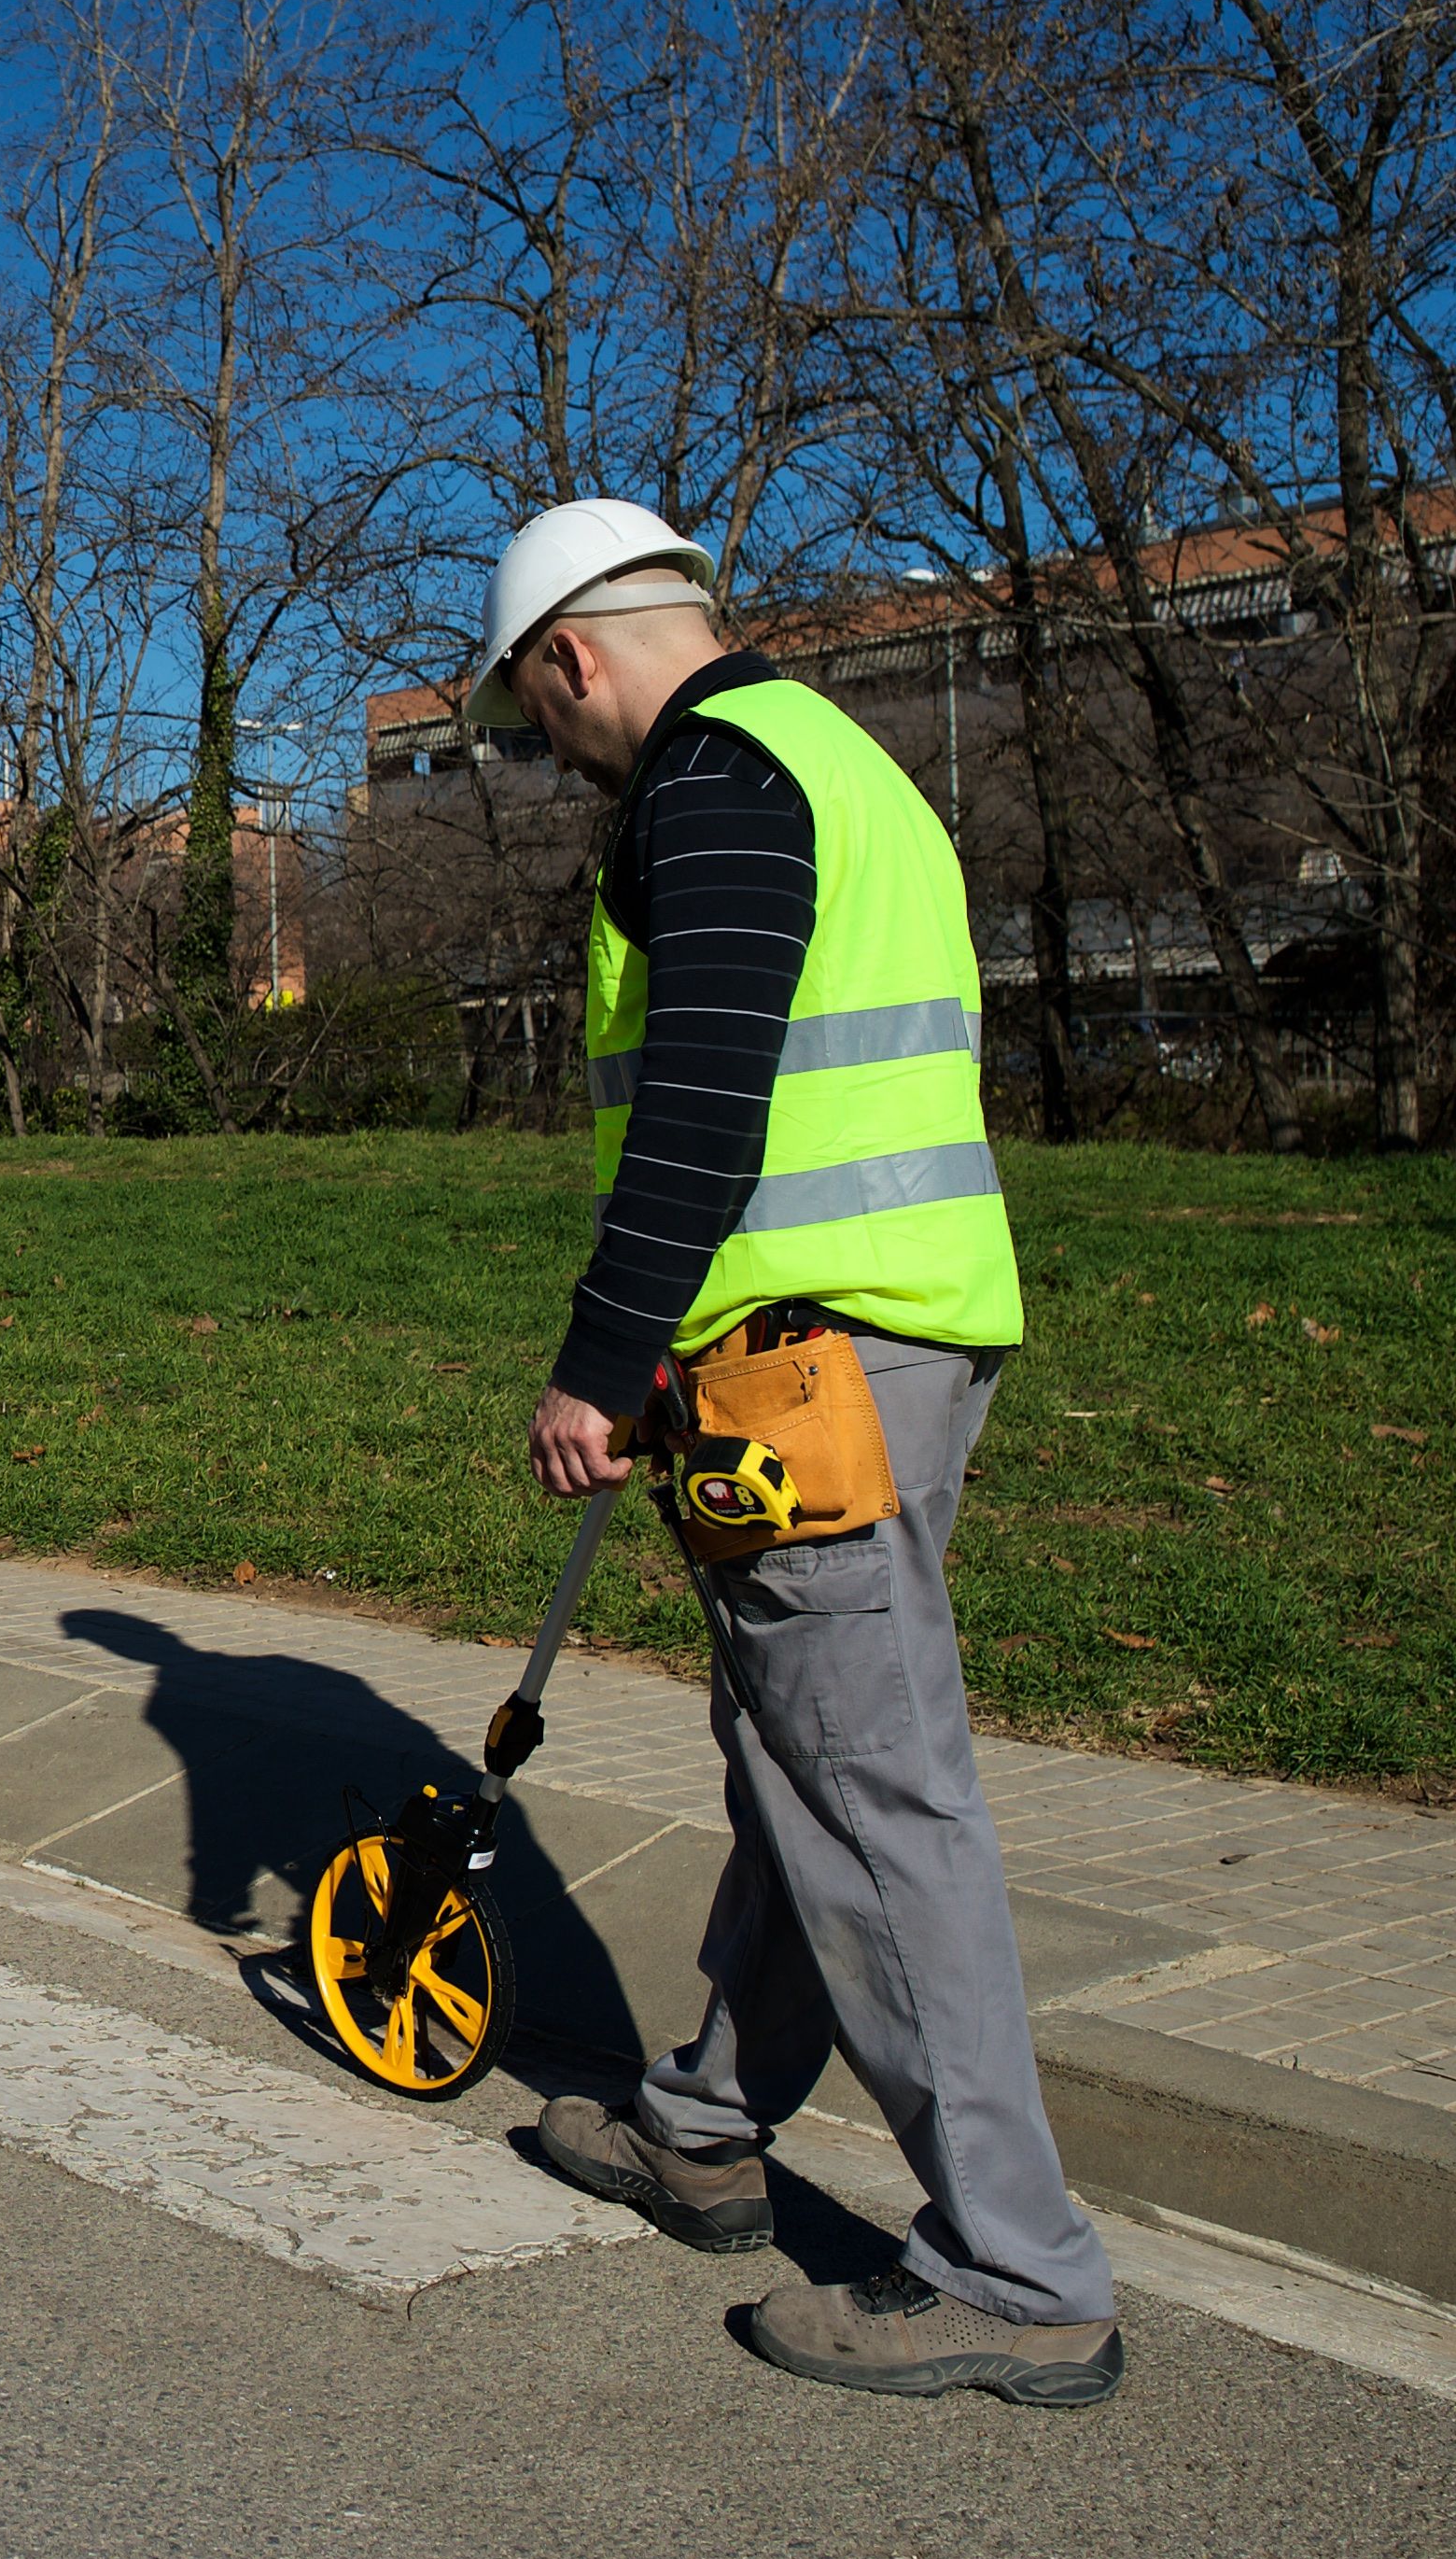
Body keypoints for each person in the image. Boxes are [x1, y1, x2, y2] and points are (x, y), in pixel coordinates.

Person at [475, 499, 1125, 2409]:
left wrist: (599, 1361)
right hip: (887, 1331)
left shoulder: (717, 776)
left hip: (796, 1357)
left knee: (869, 1792)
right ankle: (701, 2114)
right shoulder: (840, 754)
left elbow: (705, 1090)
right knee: (798, 1749)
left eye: (535, 717)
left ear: (573, 658)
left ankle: (1017, 2268)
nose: (551, 750)